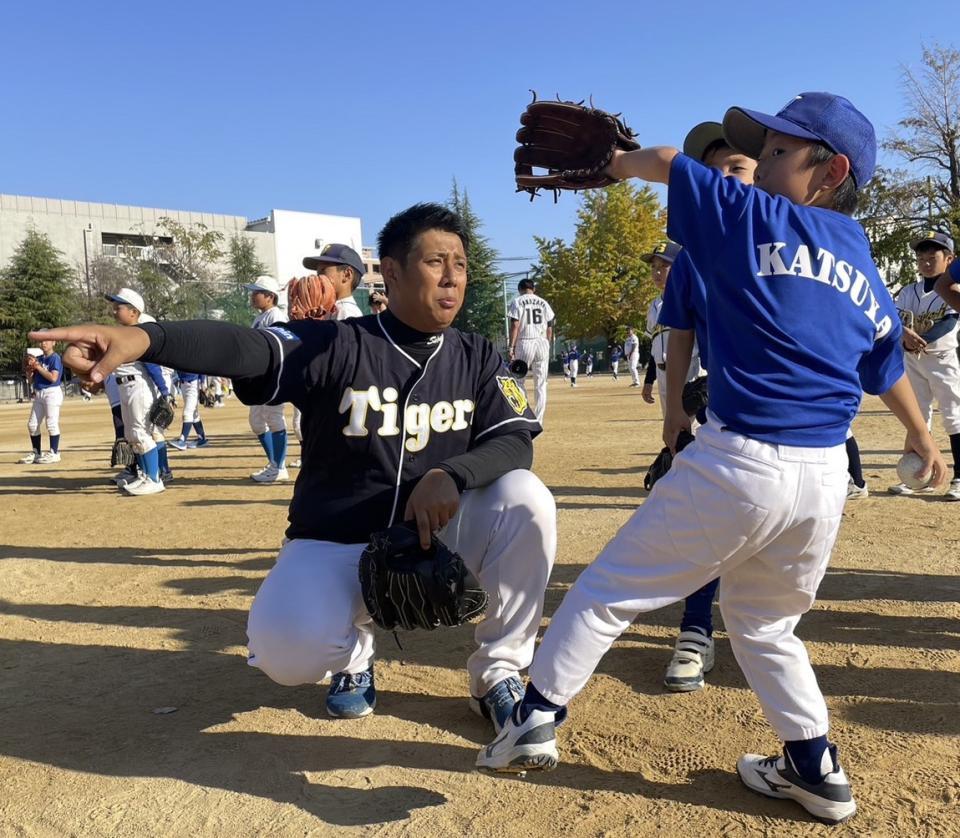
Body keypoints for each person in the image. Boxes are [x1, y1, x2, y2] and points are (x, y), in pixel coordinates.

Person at [477, 93, 947, 825]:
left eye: (780, 150)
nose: (759, 162)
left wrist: (615, 163)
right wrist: (920, 435)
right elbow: (882, 362)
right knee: (765, 625)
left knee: (606, 592)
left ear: (831, 171)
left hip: (740, 462)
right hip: (822, 477)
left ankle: (534, 715)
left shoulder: (750, 214)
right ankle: (814, 766)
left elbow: (668, 163)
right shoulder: (856, 252)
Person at [39, 202, 556, 734]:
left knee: (525, 497)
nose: (452, 277)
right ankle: (353, 656)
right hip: (340, 541)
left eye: (461, 264)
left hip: (441, 532)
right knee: (285, 652)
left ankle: (498, 671)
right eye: (435, 262)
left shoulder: (476, 354)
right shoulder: (336, 343)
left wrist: (453, 474)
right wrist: (148, 338)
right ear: (393, 273)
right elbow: (249, 348)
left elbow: (516, 440)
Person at [655, 121, 757, 692]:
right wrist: (673, 407)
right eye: (712, 170)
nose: (724, 177)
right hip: (723, 409)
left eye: (737, 167)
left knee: (770, 535)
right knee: (706, 524)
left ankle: (759, 631)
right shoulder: (694, 256)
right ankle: (696, 628)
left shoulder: (793, 239)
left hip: (791, 418)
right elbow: (681, 334)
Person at [887, 230, 960, 501]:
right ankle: (919, 475)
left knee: (954, 416)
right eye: (921, 257)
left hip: (942, 360)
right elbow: (895, 317)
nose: (926, 262)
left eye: (933, 256)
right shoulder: (909, 291)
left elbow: (949, 321)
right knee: (918, 416)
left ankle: (959, 477)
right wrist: (905, 340)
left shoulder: (953, 288)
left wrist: (918, 340)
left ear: (949, 259)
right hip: (913, 361)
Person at [106, 289, 173, 495]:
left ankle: (154, 478)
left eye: (119, 308)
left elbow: (152, 365)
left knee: (141, 432)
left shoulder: (140, 335)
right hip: (124, 386)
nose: (115, 311)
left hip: (139, 386)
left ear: (134, 312)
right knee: (131, 434)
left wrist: (164, 391)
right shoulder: (124, 334)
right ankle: (144, 475)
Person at [244, 275, 289, 482]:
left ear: (270, 297)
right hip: (260, 379)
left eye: (257, 293)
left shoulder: (276, 316)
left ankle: (279, 467)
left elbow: (280, 347)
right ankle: (273, 463)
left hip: (273, 377)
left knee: (273, 418)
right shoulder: (260, 317)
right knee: (256, 422)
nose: (253, 296)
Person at [507, 277, 555, 423]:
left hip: (524, 342)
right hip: (542, 342)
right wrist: (547, 343)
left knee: (518, 380)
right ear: (533, 289)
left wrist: (511, 346)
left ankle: (524, 416)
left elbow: (515, 325)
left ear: (520, 289)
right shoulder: (544, 303)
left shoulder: (517, 301)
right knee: (541, 384)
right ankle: (539, 420)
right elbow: (550, 326)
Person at [18, 342, 64, 464]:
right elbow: (31, 380)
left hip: (52, 392)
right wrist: (29, 370)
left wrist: (38, 367)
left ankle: (54, 453)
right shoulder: (38, 359)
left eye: (46, 340)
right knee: (32, 424)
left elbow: (53, 378)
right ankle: (36, 453)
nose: (43, 343)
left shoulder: (55, 358)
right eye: (41, 341)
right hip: (39, 393)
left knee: (51, 423)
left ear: (53, 342)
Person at [302, 244, 366, 320]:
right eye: (317, 273)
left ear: (347, 274)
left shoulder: (347, 313)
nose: (317, 277)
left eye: (323, 271)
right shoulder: (329, 308)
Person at [169, 370, 210, 450]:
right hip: (183, 383)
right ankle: (202, 439)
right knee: (194, 413)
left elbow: (201, 365)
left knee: (187, 413)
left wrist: (203, 383)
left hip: (193, 383)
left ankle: (182, 440)